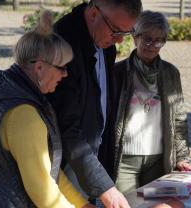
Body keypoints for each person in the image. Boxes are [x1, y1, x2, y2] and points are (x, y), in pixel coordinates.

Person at [0, 11, 93, 208]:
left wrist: (83, 205)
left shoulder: (8, 93)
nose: (65, 75)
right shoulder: (23, 114)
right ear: (39, 68)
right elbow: (44, 193)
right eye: (62, 68)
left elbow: (49, 169)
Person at [46, 0, 142, 207]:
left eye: (125, 33)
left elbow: (101, 103)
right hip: (66, 162)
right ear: (93, 14)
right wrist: (104, 187)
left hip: (91, 154)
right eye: (116, 31)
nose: (118, 40)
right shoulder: (62, 43)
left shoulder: (104, 43)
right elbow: (66, 126)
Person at [102, 10, 191, 195]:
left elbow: (179, 117)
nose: (152, 45)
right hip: (124, 159)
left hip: (158, 158)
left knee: (155, 205)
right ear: (135, 37)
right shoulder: (117, 72)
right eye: (147, 38)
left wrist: (182, 156)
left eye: (159, 40)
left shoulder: (170, 73)